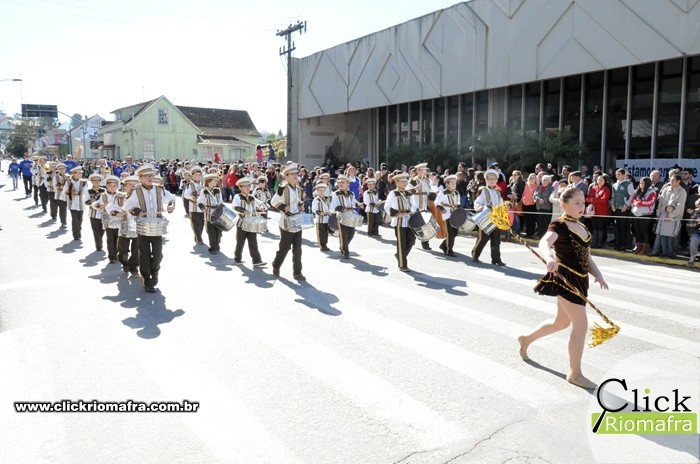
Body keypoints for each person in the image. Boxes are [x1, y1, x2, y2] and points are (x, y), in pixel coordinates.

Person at [521, 187, 609, 390]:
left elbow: (587, 256)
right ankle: (575, 373)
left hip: (580, 279)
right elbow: (544, 242)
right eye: (576, 203)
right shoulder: (559, 225)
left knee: (560, 322)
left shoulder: (581, 226)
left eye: (583, 202)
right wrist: (549, 258)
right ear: (563, 204)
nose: (581, 206)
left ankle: (526, 339)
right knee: (581, 325)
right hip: (565, 279)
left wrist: (598, 274)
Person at [123, 164, 176, 293]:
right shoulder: (135, 190)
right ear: (140, 178)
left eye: (151, 175)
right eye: (146, 176)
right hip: (142, 227)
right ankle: (147, 280)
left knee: (158, 254)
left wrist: (171, 206)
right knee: (144, 254)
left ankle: (155, 272)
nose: (150, 178)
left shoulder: (159, 189)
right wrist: (137, 212)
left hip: (157, 227)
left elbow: (172, 199)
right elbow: (126, 206)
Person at [271, 164, 305, 280]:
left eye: (296, 173)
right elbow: (273, 202)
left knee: (298, 249)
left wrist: (301, 206)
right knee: (285, 248)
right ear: (286, 176)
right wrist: (284, 207)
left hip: (297, 221)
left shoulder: (298, 188)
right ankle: (276, 264)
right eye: (293, 174)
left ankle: (297, 273)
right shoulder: (282, 188)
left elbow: (298, 201)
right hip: (286, 223)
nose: (296, 176)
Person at [106, 176, 140, 277]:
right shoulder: (119, 196)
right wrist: (116, 213)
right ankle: (125, 263)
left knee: (137, 251)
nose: (131, 187)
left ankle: (133, 268)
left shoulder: (141, 197)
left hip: (138, 227)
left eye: (134, 185)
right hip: (124, 227)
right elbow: (109, 207)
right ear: (124, 186)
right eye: (128, 185)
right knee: (122, 251)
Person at [472, 169, 506, 266]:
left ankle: (496, 259)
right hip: (485, 218)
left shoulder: (498, 192)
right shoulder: (483, 190)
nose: (492, 181)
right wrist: (480, 207)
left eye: (493, 179)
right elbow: (477, 202)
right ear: (486, 180)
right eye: (489, 179)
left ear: (496, 180)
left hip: (496, 218)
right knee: (483, 238)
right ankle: (475, 254)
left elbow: (501, 204)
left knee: (496, 240)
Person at [648, 174, 687, 258]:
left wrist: (671, 215)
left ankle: (671, 253)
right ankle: (655, 251)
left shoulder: (682, 192)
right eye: (670, 180)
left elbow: (680, 206)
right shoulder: (666, 189)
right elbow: (661, 202)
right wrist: (658, 212)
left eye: (673, 180)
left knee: (672, 236)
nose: (670, 182)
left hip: (674, 217)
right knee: (659, 234)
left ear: (678, 181)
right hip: (663, 215)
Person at [384, 172, 417, 272]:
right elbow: (387, 206)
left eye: (406, 181)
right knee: (401, 243)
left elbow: (414, 205)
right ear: (397, 182)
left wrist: (411, 210)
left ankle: (399, 255)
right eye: (402, 181)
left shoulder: (409, 193)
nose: (405, 183)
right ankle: (402, 265)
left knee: (411, 241)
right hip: (398, 221)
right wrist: (396, 213)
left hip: (409, 220)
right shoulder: (393, 193)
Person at [231, 177, 267, 265]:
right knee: (240, 242)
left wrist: (261, 207)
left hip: (252, 223)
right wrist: (243, 210)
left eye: (249, 186)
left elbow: (260, 204)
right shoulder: (237, 196)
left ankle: (256, 260)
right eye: (246, 186)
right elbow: (234, 206)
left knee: (253, 242)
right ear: (240, 187)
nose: (248, 188)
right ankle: (237, 258)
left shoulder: (251, 197)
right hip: (241, 223)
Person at [91, 175, 121, 263]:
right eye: (110, 185)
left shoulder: (120, 195)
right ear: (106, 186)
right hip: (108, 221)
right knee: (110, 239)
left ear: (117, 186)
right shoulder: (102, 195)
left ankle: (117, 253)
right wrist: (99, 205)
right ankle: (111, 256)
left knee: (118, 238)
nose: (112, 187)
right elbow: (94, 204)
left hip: (119, 220)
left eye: (114, 185)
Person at [331, 175, 361, 259]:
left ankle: (342, 245)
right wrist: (342, 209)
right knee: (344, 234)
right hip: (341, 215)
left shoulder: (351, 193)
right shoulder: (335, 193)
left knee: (351, 233)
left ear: (348, 184)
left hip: (350, 215)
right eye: (339, 182)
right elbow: (334, 205)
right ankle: (345, 251)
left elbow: (354, 202)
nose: (340, 184)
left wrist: (358, 204)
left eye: (342, 182)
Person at [197, 173, 224, 255]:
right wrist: (203, 208)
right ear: (209, 181)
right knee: (211, 232)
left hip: (218, 212)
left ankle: (217, 244)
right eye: (214, 180)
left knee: (219, 232)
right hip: (209, 213)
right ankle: (213, 247)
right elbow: (199, 202)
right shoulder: (204, 191)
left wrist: (222, 209)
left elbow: (221, 201)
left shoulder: (218, 190)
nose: (216, 181)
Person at [630, 177, 657, 255]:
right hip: (636, 214)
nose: (641, 185)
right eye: (640, 183)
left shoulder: (652, 191)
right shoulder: (638, 191)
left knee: (645, 232)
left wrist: (640, 203)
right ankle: (638, 246)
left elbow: (651, 202)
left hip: (645, 215)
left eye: (643, 183)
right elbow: (633, 199)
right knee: (637, 231)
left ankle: (645, 248)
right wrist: (635, 203)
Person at [610, 168, 635, 251]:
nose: (617, 176)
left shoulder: (628, 184)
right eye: (616, 175)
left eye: (619, 174)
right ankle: (617, 244)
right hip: (616, 208)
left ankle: (624, 245)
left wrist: (626, 205)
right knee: (617, 227)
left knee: (624, 227)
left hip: (624, 209)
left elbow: (632, 195)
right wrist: (612, 204)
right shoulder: (614, 185)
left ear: (624, 175)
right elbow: (613, 196)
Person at [435, 175, 460, 257]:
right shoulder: (443, 192)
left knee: (455, 232)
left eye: (455, 183)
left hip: (455, 215)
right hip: (447, 215)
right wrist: (442, 210)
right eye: (452, 184)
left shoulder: (456, 193)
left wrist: (458, 209)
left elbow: (458, 203)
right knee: (450, 233)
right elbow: (437, 203)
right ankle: (449, 250)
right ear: (447, 184)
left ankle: (443, 245)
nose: (454, 185)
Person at [411, 163, 434, 250]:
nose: (425, 172)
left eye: (425, 170)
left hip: (424, 205)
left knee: (424, 225)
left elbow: (430, 190)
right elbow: (408, 191)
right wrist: (415, 189)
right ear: (418, 171)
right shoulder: (413, 180)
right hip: (416, 205)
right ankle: (412, 240)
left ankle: (425, 243)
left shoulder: (426, 180)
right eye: (423, 170)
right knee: (417, 224)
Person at [585, 174, 611, 248]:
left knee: (600, 227)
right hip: (593, 211)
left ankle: (600, 242)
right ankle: (594, 241)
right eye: (598, 180)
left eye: (601, 180)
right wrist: (596, 200)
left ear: (605, 181)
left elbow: (604, 200)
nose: (599, 181)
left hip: (602, 211)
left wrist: (593, 200)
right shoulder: (594, 188)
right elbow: (587, 199)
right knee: (594, 227)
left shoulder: (606, 189)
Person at [63, 166, 88, 241]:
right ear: (74, 173)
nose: (81, 174)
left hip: (81, 204)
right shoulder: (68, 181)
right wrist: (69, 192)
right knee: (75, 219)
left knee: (80, 219)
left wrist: (77, 193)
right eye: (79, 173)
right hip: (72, 203)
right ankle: (75, 234)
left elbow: (85, 192)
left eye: (81, 173)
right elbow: (64, 191)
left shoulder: (84, 182)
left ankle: (79, 231)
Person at [84, 173, 106, 251]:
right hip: (93, 213)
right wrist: (91, 201)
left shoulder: (104, 190)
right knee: (95, 230)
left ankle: (99, 241)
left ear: (100, 181)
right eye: (94, 180)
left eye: (98, 180)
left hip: (103, 213)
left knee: (103, 229)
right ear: (91, 181)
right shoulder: (88, 191)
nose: (96, 181)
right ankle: (98, 245)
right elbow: (85, 202)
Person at [183, 166, 205, 245]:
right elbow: (186, 195)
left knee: (201, 224)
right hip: (193, 207)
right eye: (196, 175)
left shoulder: (203, 184)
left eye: (199, 175)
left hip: (202, 208)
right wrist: (194, 195)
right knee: (195, 224)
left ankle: (197, 236)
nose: (198, 176)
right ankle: (199, 238)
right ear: (192, 176)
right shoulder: (190, 185)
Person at [312, 183, 332, 251]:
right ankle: (322, 246)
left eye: (323, 191)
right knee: (321, 233)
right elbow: (314, 208)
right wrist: (319, 212)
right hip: (320, 219)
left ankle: (325, 244)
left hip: (327, 219)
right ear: (317, 191)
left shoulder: (327, 199)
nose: (322, 192)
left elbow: (330, 207)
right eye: (320, 191)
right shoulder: (316, 199)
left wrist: (330, 212)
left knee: (326, 233)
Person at [534, 175, 554, 240]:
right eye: (542, 180)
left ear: (549, 181)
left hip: (547, 208)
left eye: (545, 180)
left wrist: (544, 200)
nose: (543, 181)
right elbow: (535, 195)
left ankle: (546, 238)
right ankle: (540, 236)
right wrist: (538, 199)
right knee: (540, 223)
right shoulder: (539, 187)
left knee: (546, 223)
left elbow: (551, 196)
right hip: (539, 207)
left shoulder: (551, 188)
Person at [687, 199, 700, 266]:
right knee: (694, 239)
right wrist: (696, 223)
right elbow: (689, 224)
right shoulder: (695, 212)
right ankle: (692, 256)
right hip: (696, 231)